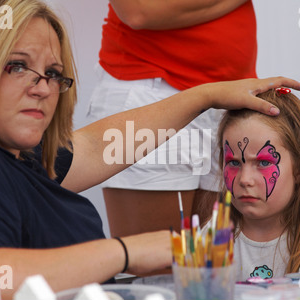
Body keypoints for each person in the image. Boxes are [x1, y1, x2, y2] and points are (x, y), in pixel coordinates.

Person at [0, 0, 300, 299]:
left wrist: (206, 95)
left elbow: (98, 146)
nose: (43, 88)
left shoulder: (15, 155)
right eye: (17, 66)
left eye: (53, 74)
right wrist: (128, 252)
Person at [88, 0, 258, 236]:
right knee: (157, 267)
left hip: (229, 99)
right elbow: (140, 10)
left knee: (218, 263)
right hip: (154, 93)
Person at [205, 88, 300, 281]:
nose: (245, 179)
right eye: (234, 163)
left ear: (299, 169)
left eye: (264, 163)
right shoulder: (215, 234)